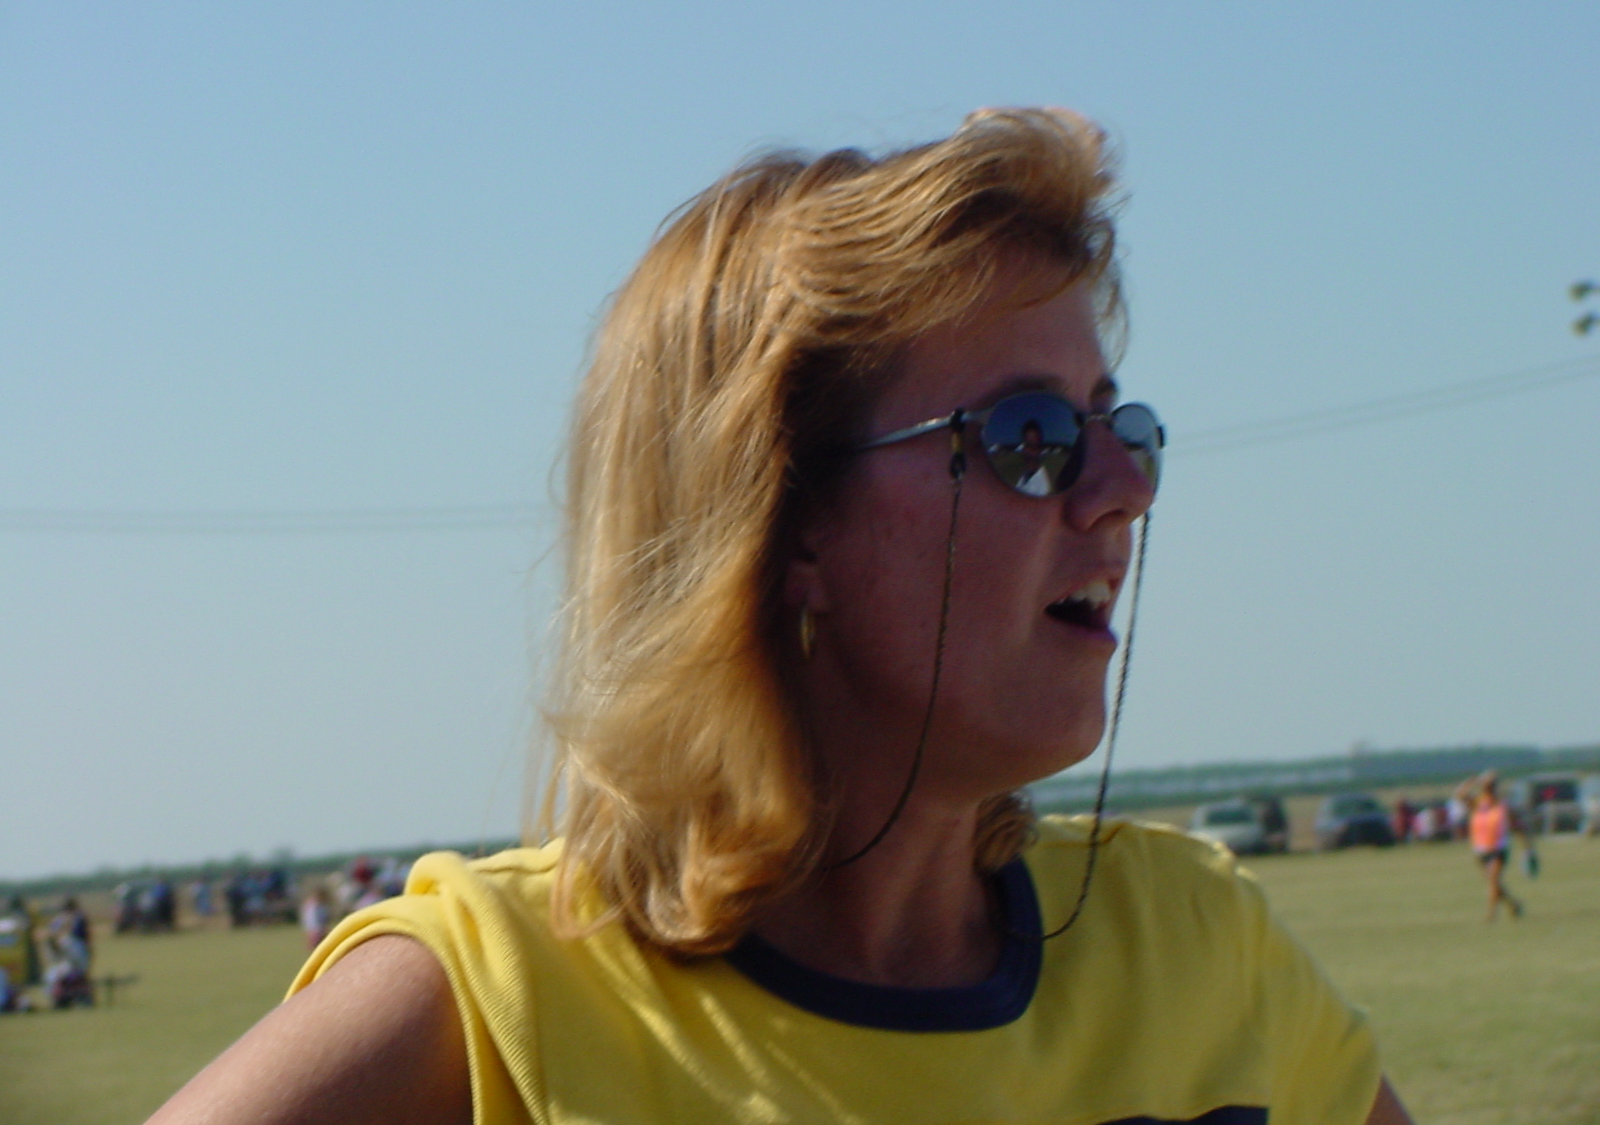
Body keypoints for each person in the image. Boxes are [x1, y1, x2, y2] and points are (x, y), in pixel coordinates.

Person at [146, 109, 1411, 1124]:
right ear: (783, 523)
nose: (1126, 485)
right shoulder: (498, 1006)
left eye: (1120, 423)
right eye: (1029, 439)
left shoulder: (1200, 944)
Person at [1459, 771, 1524, 922]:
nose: (1488, 787)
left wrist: (1526, 846)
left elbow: (1516, 825)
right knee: (1494, 883)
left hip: (1498, 848)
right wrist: (1471, 781)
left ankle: (1491, 915)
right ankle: (1513, 904)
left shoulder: (1502, 804)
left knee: (1493, 881)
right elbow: (1460, 795)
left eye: (1490, 785)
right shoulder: (1478, 803)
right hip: (1481, 848)